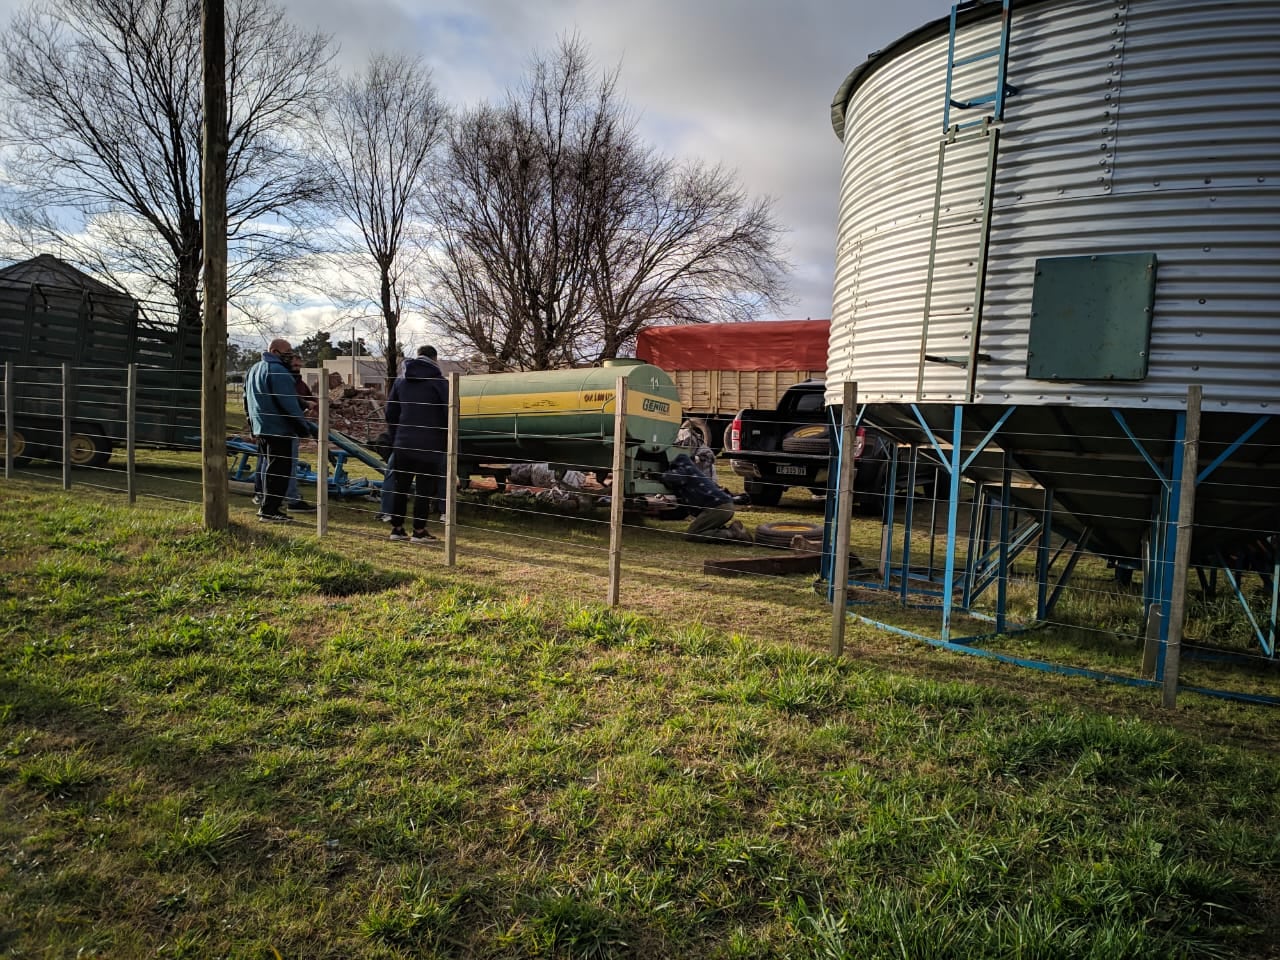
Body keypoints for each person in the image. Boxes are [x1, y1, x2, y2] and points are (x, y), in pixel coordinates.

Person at [244, 339, 316, 523]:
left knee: (268, 467)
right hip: (279, 428)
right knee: (280, 471)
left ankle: (266, 505)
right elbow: (287, 402)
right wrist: (303, 428)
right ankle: (270, 511)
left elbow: (247, 399)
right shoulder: (278, 371)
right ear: (275, 351)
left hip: (261, 427)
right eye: (288, 351)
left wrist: (251, 425)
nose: (290, 355)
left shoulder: (254, 369)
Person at [384, 345, 449, 543]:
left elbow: (390, 413)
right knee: (424, 489)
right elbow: (449, 413)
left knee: (400, 487)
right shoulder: (439, 382)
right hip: (430, 444)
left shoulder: (400, 380)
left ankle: (397, 529)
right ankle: (419, 531)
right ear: (434, 359)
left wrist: (397, 436)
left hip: (403, 443)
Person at [661, 452, 749, 542]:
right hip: (724, 505)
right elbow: (683, 510)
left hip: (718, 507)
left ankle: (732, 533)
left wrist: (659, 474)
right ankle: (733, 531)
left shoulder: (683, 469)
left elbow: (672, 477)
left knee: (692, 534)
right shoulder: (693, 470)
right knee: (703, 528)